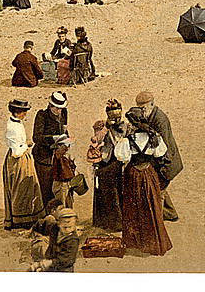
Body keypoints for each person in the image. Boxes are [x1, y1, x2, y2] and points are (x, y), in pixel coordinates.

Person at [114, 107, 173, 255]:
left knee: (134, 207)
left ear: (133, 124)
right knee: (150, 204)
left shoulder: (127, 141)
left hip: (133, 175)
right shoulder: (154, 138)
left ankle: (136, 242)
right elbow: (160, 153)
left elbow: (122, 157)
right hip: (148, 173)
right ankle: (151, 241)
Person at [137, 91, 182, 222]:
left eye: (143, 108)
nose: (141, 112)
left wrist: (161, 167)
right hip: (160, 160)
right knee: (160, 187)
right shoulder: (150, 116)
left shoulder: (160, 120)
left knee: (157, 190)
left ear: (151, 104)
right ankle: (170, 214)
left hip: (167, 162)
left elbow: (165, 147)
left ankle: (157, 221)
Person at [2, 99, 45, 230]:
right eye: (23, 112)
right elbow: (16, 151)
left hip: (23, 158)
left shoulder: (17, 123)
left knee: (28, 188)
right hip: (18, 161)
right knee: (20, 189)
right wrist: (26, 144)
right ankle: (21, 219)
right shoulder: (12, 128)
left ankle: (28, 216)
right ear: (17, 112)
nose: (25, 115)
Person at [89, 99, 127, 232]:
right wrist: (106, 128)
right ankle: (105, 221)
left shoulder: (125, 126)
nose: (115, 119)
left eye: (117, 116)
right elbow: (95, 140)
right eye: (112, 117)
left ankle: (119, 222)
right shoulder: (103, 126)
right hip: (107, 160)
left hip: (121, 161)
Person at [33, 91, 75, 211]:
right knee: (47, 188)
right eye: (56, 109)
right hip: (45, 158)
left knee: (62, 186)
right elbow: (36, 138)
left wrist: (66, 139)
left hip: (60, 155)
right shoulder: (42, 115)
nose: (59, 111)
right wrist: (53, 139)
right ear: (50, 106)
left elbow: (64, 129)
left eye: (61, 109)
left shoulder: (63, 113)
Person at [32, 207, 80, 272]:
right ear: (58, 223)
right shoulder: (54, 227)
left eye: (70, 226)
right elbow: (42, 224)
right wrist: (34, 231)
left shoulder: (73, 240)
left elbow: (66, 260)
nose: (67, 227)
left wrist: (48, 263)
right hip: (49, 260)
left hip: (63, 268)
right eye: (64, 226)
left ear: (75, 224)